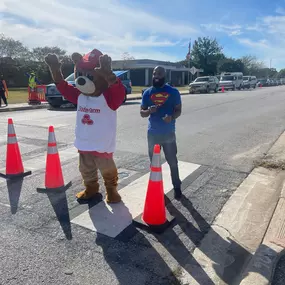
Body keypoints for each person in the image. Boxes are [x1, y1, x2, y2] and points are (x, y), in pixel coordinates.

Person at [140, 66, 182, 199]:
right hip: (153, 134)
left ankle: (177, 187)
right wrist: (149, 111)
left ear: (165, 75)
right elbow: (142, 112)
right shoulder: (147, 93)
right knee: (154, 164)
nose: (156, 76)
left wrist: (172, 117)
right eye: (154, 73)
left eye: (159, 73)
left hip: (168, 133)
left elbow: (178, 110)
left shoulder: (173, 92)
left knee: (172, 162)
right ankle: (158, 190)